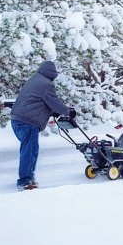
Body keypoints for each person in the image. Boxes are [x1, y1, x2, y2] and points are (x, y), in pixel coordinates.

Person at [10, 60, 76, 191]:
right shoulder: (45, 84)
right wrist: (68, 111)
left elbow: (37, 102)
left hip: (17, 119)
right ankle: (24, 182)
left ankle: (28, 178)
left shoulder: (34, 80)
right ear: (51, 74)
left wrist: (53, 111)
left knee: (29, 151)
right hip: (27, 121)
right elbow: (54, 102)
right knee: (29, 152)